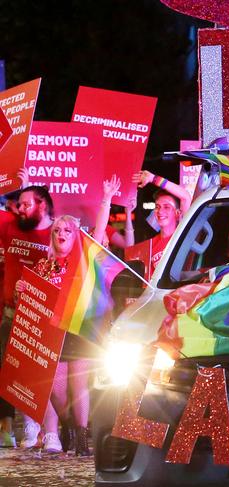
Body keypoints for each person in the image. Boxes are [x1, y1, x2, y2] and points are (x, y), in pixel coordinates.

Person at [15, 216, 94, 455]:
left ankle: (81, 439)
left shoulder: (83, 261)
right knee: (57, 392)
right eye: (57, 230)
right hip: (53, 335)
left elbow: (98, 234)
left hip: (79, 330)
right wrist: (22, 290)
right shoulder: (43, 266)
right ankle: (68, 428)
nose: (61, 233)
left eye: (67, 230)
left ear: (75, 235)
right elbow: (32, 302)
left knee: (79, 387)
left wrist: (107, 200)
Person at [0, 184, 54, 448]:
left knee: (40, 375)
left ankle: (46, 430)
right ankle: (8, 429)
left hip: (41, 316)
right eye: (19, 204)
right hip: (11, 313)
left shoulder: (57, 233)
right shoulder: (11, 225)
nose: (20, 209)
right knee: (7, 371)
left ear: (42, 205)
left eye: (26, 204)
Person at [132, 170, 191, 272]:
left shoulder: (183, 234)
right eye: (157, 207)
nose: (160, 211)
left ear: (177, 213)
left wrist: (153, 179)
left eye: (167, 207)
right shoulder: (151, 245)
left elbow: (185, 197)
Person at [92, 174, 136, 249]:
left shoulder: (106, 229)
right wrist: (107, 197)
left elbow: (129, 246)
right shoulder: (83, 233)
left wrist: (128, 213)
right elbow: (99, 230)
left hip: (104, 261)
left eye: (105, 244)